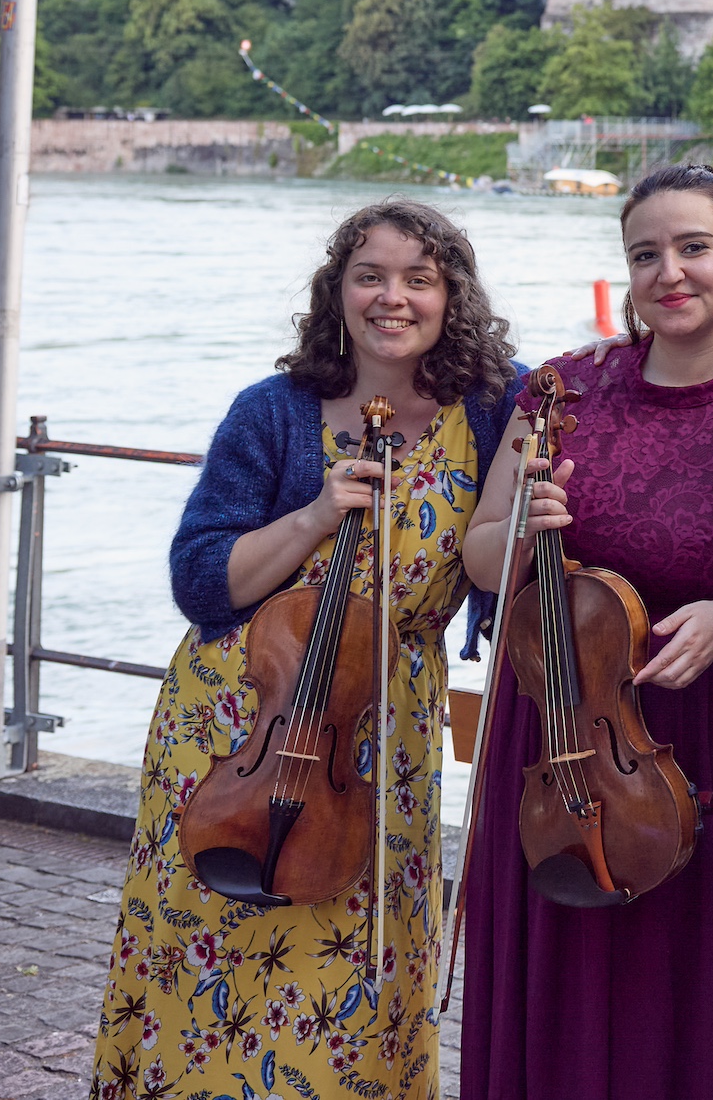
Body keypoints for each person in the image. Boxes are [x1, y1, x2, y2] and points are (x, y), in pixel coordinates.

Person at [90, 201, 526, 1100]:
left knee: (359, 963)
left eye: (419, 279)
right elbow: (200, 580)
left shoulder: (493, 407)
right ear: (338, 291)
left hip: (380, 730)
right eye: (370, 276)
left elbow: (588, 401)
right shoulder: (274, 411)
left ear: (453, 296)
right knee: (210, 948)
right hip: (242, 720)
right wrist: (318, 513)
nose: (392, 298)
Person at [457, 165, 713, 1100]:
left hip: (701, 735)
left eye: (694, 248)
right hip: (554, 734)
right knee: (551, 980)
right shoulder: (560, 389)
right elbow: (481, 556)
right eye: (645, 255)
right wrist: (524, 531)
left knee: (676, 997)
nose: (670, 273)